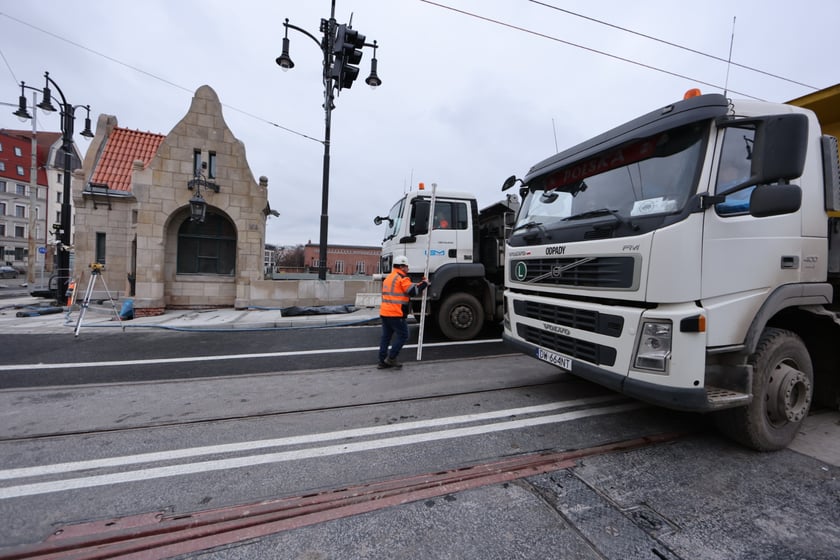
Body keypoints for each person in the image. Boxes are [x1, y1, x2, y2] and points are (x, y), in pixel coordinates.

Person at [378, 255, 429, 369]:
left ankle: (382, 361)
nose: (408, 268)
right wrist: (425, 283)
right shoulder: (402, 278)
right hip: (396, 313)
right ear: (401, 267)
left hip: (385, 312)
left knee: (386, 337)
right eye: (406, 266)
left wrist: (419, 284)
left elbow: (404, 289)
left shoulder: (389, 278)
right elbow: (413, 291)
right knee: (404, 335)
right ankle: (391, 358)